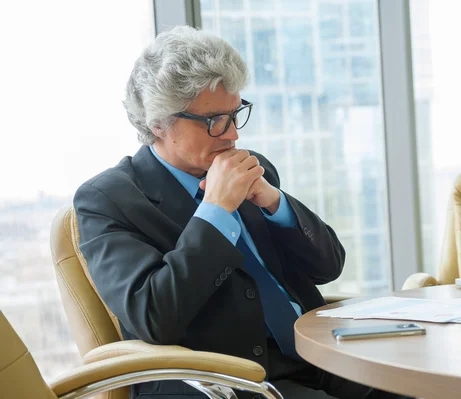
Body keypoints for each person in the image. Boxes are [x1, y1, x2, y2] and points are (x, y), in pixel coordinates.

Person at [74, 26, 410, 399]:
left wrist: (274, 203)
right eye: (214, 120)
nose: (232, 134)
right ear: (158, 123)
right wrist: (215, 211)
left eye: (236, 114)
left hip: (321, 357)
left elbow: (328, 268)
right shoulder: (107, 200)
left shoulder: (251, 167)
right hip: (228, 379)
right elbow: (154, 316)